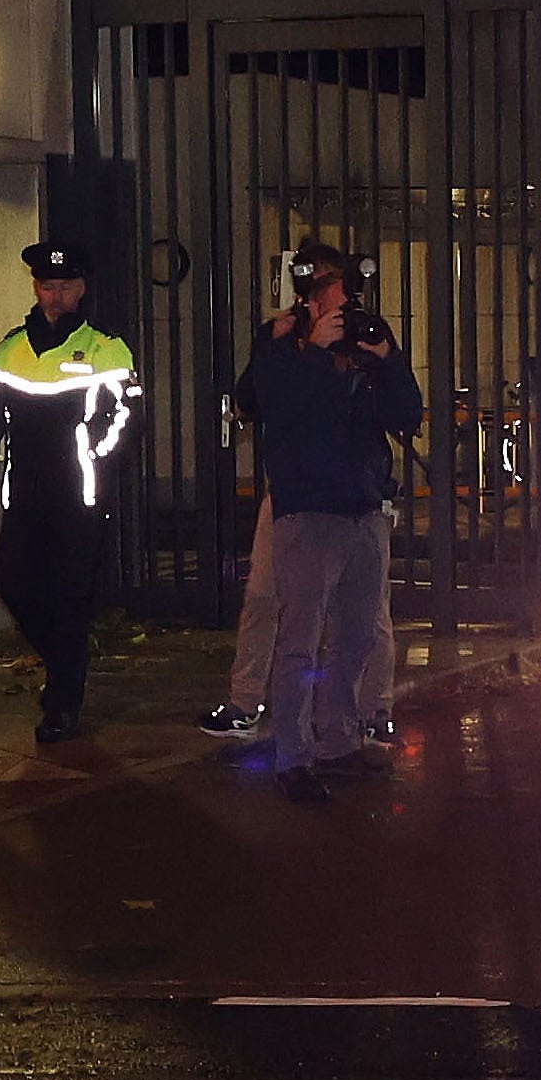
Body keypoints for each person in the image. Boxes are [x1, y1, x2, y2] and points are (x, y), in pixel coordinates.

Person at [245, 251, 423, 803]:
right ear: (313, 296)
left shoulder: (366, 347)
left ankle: (339, 739)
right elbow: (266, 406)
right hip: (308, 512)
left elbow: (407, 415)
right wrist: (317, 355)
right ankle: (292, 755)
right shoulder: (281, 351)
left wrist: (388, 359)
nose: (347, 303)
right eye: (337, 292)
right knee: (300, 636)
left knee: (356, 636)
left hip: (363, 509)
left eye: (350, 291)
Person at [204, 244, 395, 743]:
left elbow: (401, 406)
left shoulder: (366, 330)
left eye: (329, 281)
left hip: (359, 490)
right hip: (295, 490)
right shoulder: (283, 335)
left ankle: (372, 710)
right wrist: (296, 344)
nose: (321, 293)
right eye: (308, 284)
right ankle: (247, 703)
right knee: (267, 595)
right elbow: (254, 399)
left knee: (367, 612)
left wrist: (378, 359)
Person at [0, 241, 141, 744]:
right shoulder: (11, 347)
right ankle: (65, 667)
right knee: (13, 585)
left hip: (79, 500)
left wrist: (95, 456)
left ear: (81, 289)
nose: (55, 296)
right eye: (47, 286)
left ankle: (63, 702)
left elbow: (128, 418)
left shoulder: (107, 347)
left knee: (68, 600)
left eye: (64, 286)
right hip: (24, 497)